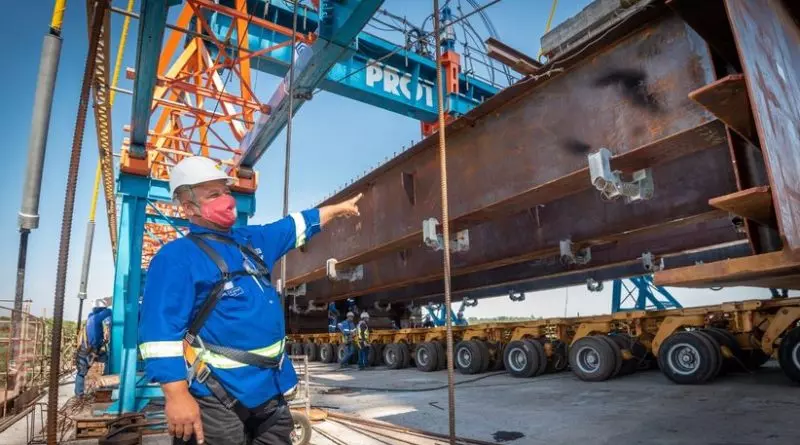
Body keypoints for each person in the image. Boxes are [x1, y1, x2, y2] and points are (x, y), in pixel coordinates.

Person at [138, 156, 362, 445]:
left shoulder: (251, 242)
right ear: (189, 207)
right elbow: (159, 333)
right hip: (216, 396)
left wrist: (338, 209)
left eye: (226, 191)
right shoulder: (177, 257)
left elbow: (295, 225)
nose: (227, 200)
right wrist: (176, 395)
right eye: (214, 194)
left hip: (269, 389)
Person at [75, 298, 112, 397]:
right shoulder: (96, 318)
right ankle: (79, 395)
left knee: (108, 359)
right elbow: (109, 312)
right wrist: (111, 302)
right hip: (88, 351)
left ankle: (105, 383)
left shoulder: (91, 317)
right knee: (82, 372)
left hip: (94, 349)